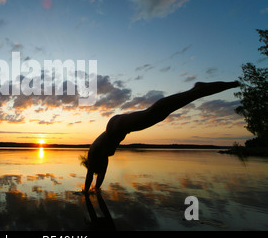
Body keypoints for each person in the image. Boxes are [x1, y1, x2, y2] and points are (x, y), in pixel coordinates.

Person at [83, 81, 240, 193]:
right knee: (157, 115)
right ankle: (197, 92)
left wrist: (85, 192)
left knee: (153, 113)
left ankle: (195, 91)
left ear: (90, 164)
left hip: (116, 127)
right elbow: (99, 176)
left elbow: (91, 175)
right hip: (119, 127)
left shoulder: (94, 154)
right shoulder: (102, 158)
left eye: (93, 170)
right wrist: (96, 190)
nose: (98, 172)